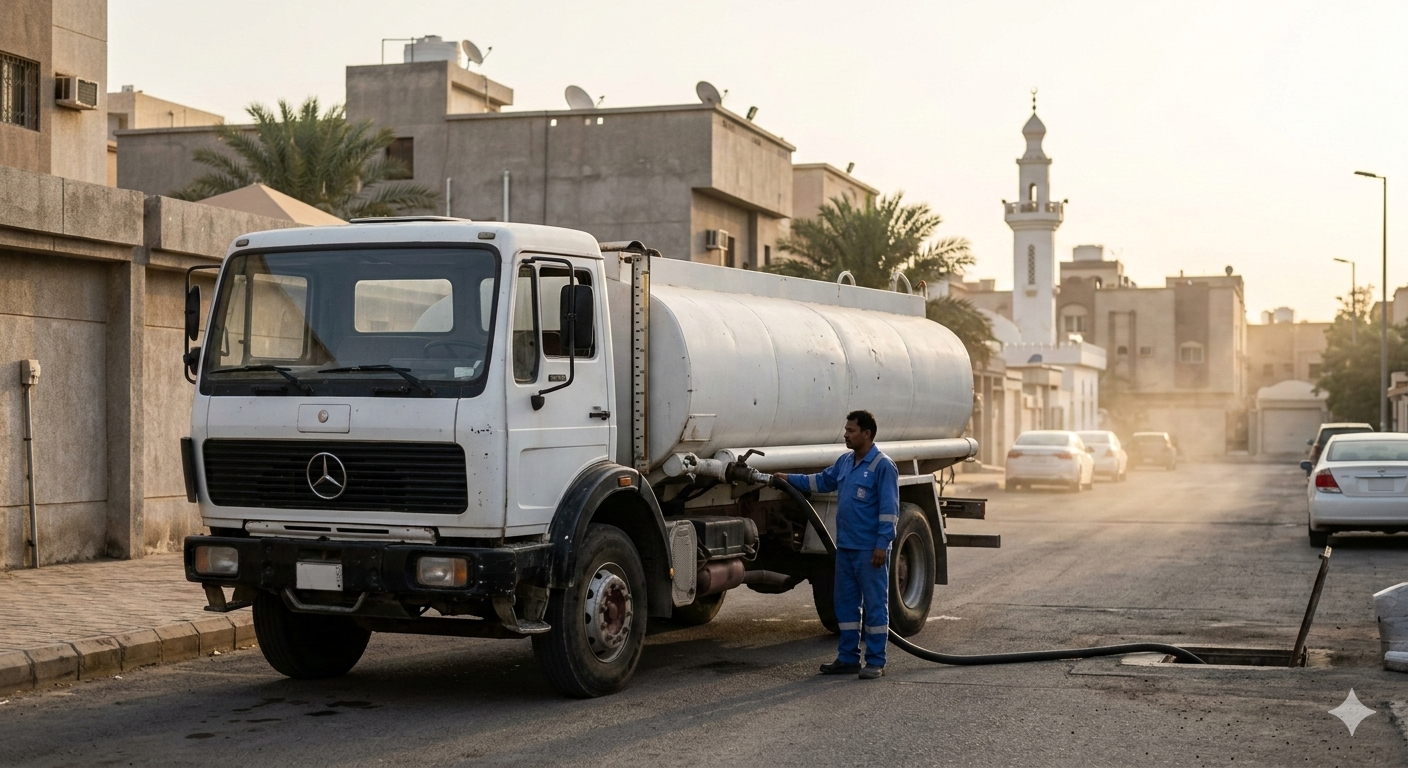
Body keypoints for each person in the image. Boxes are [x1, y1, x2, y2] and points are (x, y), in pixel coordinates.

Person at [775, 410, 899, 679]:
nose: (845, 434)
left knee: (875, 606)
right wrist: (788, 479)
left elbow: (890, 510)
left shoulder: (883, 466)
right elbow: (820, 481)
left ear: (866, 434)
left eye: (851, 430)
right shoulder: (845, 462)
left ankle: (876, 661)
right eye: (846, 429)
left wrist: (882, 544)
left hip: (870, 551)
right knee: (846, 606)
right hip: (846, 548)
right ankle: (848, 658)